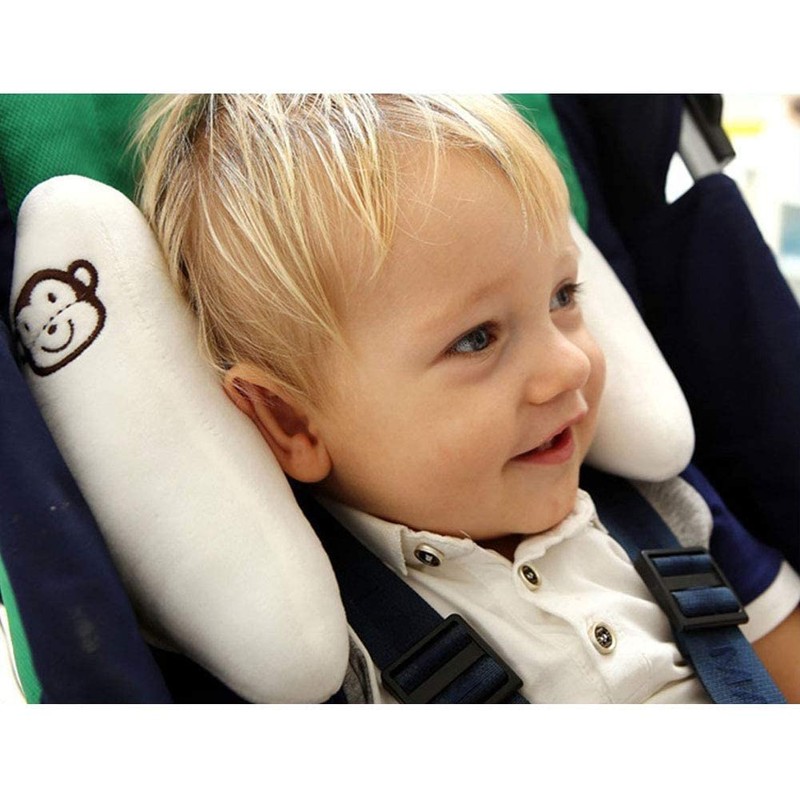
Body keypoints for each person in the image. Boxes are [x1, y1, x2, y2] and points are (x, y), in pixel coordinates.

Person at [136, 94, 800, 703]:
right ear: (291, 421)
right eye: (476, 339)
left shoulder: (663, 509)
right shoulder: (333, 656)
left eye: (563, 297)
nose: (569, 366)